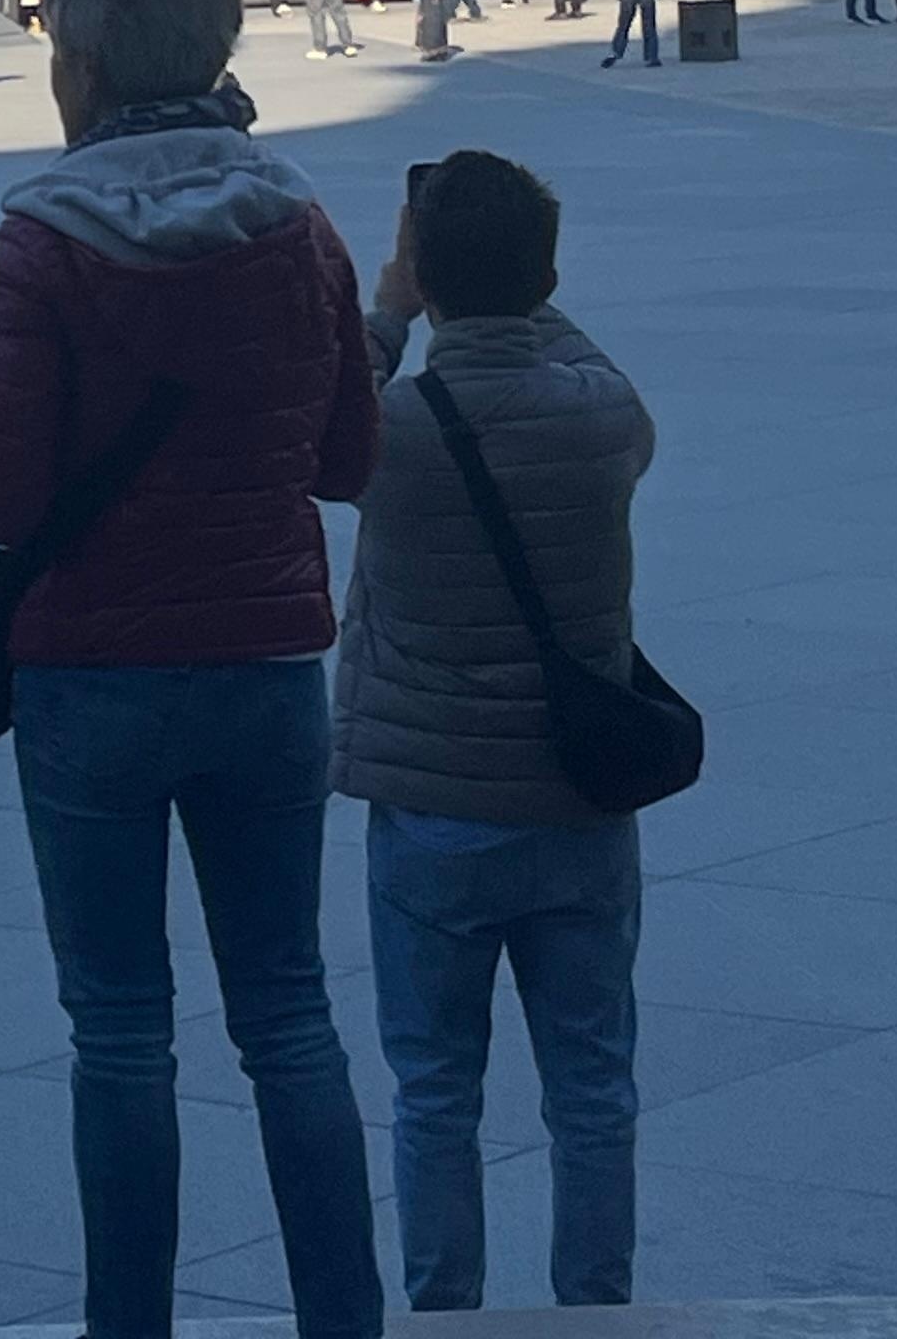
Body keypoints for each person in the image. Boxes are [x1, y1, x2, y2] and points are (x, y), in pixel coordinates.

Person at [0, 0, 384, 1339]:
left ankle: (128, 1327)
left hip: (93, 671)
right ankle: (343, 1321)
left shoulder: (42, 237)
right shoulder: (299, 221)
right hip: (264, 661)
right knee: (291, 1019)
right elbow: (347, 463)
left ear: (89, 62)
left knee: (122, 1035)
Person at [342, 152, 653, 1313]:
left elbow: (323, 424)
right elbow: (572, 350)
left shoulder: (394, 430)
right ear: (550, 273)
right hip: (577, 803)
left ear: (426, 275)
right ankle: (596, 1304)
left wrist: (390, 302)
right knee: (592, 1089)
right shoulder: (603, 415)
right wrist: (515, 284)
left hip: (432, 807)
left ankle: (443, 1308)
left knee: (434, 1093)